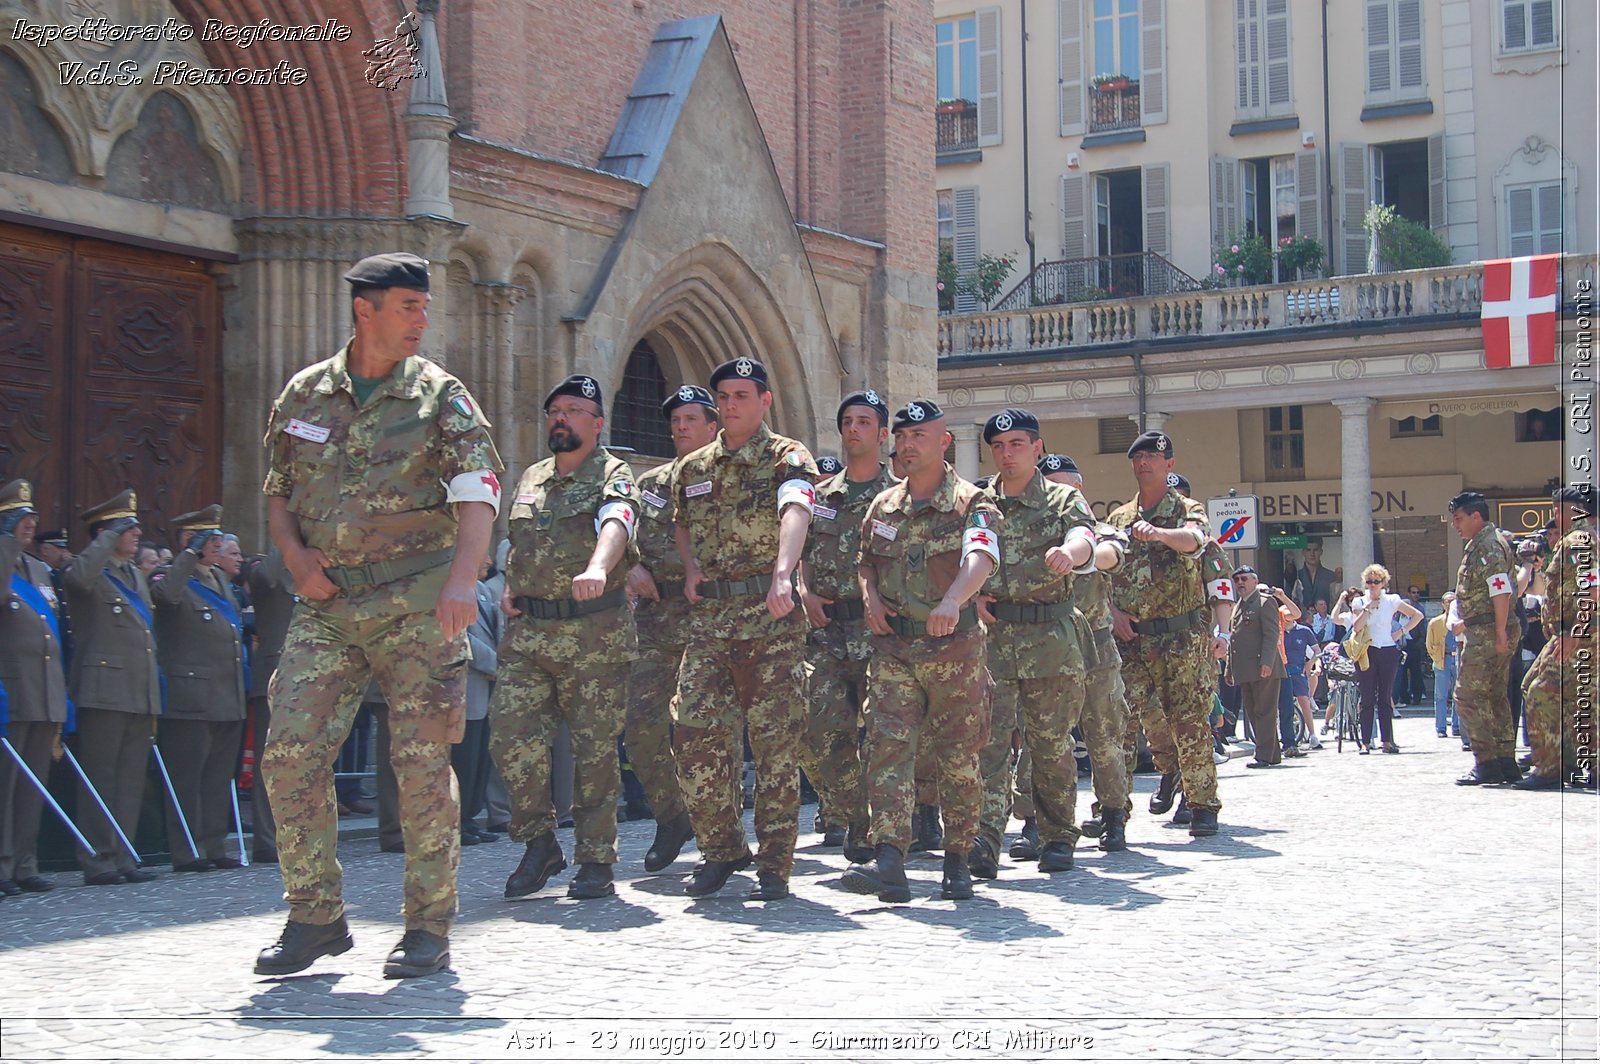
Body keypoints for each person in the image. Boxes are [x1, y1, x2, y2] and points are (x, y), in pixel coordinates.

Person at [255, 252, 502, 980]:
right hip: (328, 604)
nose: (422, 321)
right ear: (365, 309)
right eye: (407, 307)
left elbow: (479, 487)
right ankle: (316, 915)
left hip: (418, 603)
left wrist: (463, 578)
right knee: (290, 755)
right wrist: (297, 561)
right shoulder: (305, 393)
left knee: (421, 764)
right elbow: (278, 490)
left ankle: (428, 926)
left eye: (425, 308)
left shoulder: (441, 397)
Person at [671, 357, 817, 902]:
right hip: (712, 620)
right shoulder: (693, 467)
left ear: (764, 401)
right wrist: (690, 569)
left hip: (769, 615)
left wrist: (784, 574)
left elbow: (796, 510)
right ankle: (723, 848)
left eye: (740, 395)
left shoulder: (786, 457)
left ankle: (775, 863)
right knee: (693, 732)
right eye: (723, 397)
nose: (731, 405)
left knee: (775, 743)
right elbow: (682, 523)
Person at [841, 399, 999, 902]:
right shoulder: (883, 505)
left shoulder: (973, 503)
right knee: (887, 748)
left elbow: (981, 556)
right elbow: (865, 563)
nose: (906, 446)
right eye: (902, 437)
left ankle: (957, 858)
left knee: (957, 756)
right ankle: (890, 860)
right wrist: (868, 599)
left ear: (943, 441)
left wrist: (953, 599)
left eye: (919, 437)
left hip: (954, 649)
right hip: (893, 649)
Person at [492, 373, 641, 902]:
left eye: (574, 410)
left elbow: (617, 520)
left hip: (592, 636)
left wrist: (599, 567)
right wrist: (510, 583)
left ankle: (596, 857)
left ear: (596, 424)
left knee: (593, 750)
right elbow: (522, 540)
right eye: (555, 409)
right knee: (510, 737)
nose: (561, 417)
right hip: (530, 635)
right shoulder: (532, 476)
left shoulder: (613, 473)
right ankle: (538, 843)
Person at [970, 410, 1096, 878]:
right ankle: (984, 837)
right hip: (995, 639)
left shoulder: (1062, 499)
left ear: (1037, 448)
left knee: (1050, 745)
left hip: (1049, 638)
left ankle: (1058, 835)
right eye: (999, 446)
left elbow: (1085, 534)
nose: (1007, 453)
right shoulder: (980, 503)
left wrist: (1071, 553)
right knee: (989, 743)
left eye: (1017, 444)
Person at [1106, 433, 1233, 838]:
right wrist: (1111, 614)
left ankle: (1202, 804)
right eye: (1138, 457)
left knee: (1188, 721)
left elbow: (1196, 542)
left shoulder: (1187, 510)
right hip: (1131, 639)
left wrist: (1160, 534)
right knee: (1121, 722)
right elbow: (1099, 575)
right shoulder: (1119, 519)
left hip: (1180, 640)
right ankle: (1113, 812)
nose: (1145, 463)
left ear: (1169, 465)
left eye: (1153, 457)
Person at [797, 389, 895, 865]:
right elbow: (798, 552)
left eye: (864, 421)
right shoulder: (819, 498)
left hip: (882, 634)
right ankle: (854, 814)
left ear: (882, 434)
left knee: (884, 734)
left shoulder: (898, 498)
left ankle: (885, 824)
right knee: (819, 729)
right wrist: (804, 590)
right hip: (828, 631)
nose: (853, 429)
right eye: (847, 421)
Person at [624, 385, 718, 874]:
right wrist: (627, 567)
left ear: (712, 427)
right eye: (675, 420)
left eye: (690, 420)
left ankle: (718, 835)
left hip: (712, 625)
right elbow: (619, 535)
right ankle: (671, 816)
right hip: (657, 627)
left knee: (703, 734)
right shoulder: (651, 485)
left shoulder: (727, 479)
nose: (680, 428)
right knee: (641, 730)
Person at [1034, 455, 1133, 852]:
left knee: (1104, 734)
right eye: (1051, 487)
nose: (1060, 496)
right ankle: (1037, 820)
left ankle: (1112, 814)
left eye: (1067, 488)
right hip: (1045, 649)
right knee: (1041, 738)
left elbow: (1111, 554)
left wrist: (1079, 555)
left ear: (1080, 490)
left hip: (1094, 647)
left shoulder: (1099, 532)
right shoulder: (1032, 540)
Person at [63, 489, 162, 886]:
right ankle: (98, 858)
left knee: (129, 780)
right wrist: (105, 538)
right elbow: (79, 578)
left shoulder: (132, 574)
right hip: (103, 691)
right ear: (105, 532)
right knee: (101, 779)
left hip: (138, 691)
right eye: (126, 526)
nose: (137, 532)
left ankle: (123, 854)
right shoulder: (86, 571)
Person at [152, 506, 249, 872]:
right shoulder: (171, 575)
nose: (216, 545)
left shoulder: (218, 580)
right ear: (190, 542)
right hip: (191, 696)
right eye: (208, 540)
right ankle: (186, 850)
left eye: (216, 539)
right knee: (187, 778)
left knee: (217, 778)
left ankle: (212, 844)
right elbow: (166, 598)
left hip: (226, 694)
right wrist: (188, 556)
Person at [0, 480, 70, 894]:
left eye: (32, 519)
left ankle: (26, 862)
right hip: (13, 688)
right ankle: (3, 864)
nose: (31, 525)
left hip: (44, 689)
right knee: (6, 784)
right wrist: (6, 543)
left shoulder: (41, 570)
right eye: (21, 519)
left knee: (32, 784)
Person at [1515, 484, 1595, 789]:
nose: (1555, 515)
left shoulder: (1580, 541)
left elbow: (1593, 588)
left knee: (1541, 692)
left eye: (1559, 509)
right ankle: (1565, 761)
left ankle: (1551, 768)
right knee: (1540, 688)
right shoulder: (1569, 542)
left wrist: (1575, 631)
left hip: (1575, 635)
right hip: (1562, 634)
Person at [1446, 491, 1519, 786]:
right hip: (1489, 627)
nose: (1455, 525)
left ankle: (1486, 762)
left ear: (1477, 516)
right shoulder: (1485, 543)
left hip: (1488, 631)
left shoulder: (1487, 546)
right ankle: (1504, 760)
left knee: (1466, 696)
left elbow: (1500, 590)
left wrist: (1500, 631)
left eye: (1459, 518)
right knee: (1494, 696)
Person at [1336, 566, 1422, 755]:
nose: (1372, 585)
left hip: (1388, 649)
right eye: (1369, 582)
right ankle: (1366, 742)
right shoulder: (1359, 601)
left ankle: (1387, 740)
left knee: (1385, 697)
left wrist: (1400, 632)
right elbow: (1357, 627)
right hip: (1367, 651)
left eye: (1376, 582)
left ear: (1383, 582)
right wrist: (1368, 608)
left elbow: (1417, 615)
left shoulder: (1392, 600)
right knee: (1367, 697)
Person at [244, 549, 295, 863]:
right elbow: (263, 576)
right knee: (271, 760)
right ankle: (266, 839)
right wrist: (289, 540)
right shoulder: (268, 574)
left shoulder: (309, 575)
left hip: (309, 675)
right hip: (274, 675)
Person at [455, 553, 500, 845]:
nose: (486, 558)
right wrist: (496, 664)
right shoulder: (453, 589)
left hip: (488, 689)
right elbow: (461, 637)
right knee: (463, 760)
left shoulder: (482, 591)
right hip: (467, 686)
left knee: (480, 761)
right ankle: (456, 821)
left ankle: (469, 818)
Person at [1226, 567, 1285, 767]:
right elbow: (1234, 640)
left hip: (1263, 666)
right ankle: (1273, 754)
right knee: (1252, 712)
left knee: (1264, 712)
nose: (1240, 583)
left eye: (1244, 579)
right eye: (1236, 580)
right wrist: (1229, 669)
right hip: (1245, 668)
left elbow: (1271, 634)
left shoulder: (1264, 602)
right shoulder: (1238, 606)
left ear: (1254, 580)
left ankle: (1263, 756)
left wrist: (1267, 662)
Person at [1427, 592, 1461, 739]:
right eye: (1447, 601)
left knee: (1458, 695)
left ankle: (1457, 726)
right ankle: (1441, 727)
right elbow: (1429, 644)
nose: (1450, 603)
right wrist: (1437, 658)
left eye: (1453, 601)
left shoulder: (1461, 621)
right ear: (1442, 604)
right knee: (1440, 696)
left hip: (1459, 659)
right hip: (1443, 659)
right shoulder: (1435, 622)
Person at [1293, 537, 1338, 613]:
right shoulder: (1296, 575)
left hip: (1325, 619)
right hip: (1301, 618)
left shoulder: (1331, 576)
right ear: (1303, 552)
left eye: (1315, 550)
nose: (1312, 554)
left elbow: (1333, 601)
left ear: (1321, 552)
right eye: (1308, 550)